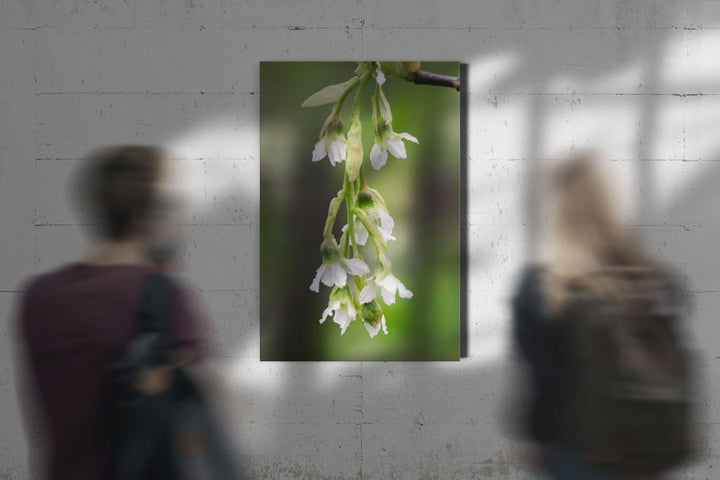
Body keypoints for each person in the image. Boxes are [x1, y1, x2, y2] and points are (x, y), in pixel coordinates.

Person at [14, 146, 206, 480]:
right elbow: (207, 420)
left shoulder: (38, 296)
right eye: (173, 206)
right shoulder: (162, 295)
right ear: (145, 215)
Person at [511, 152, 693, 480]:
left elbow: (543, 384)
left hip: (578, 454)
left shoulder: (544, 288)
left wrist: (538, 440)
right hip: (649, 450)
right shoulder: (659, 281)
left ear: (556, 211)